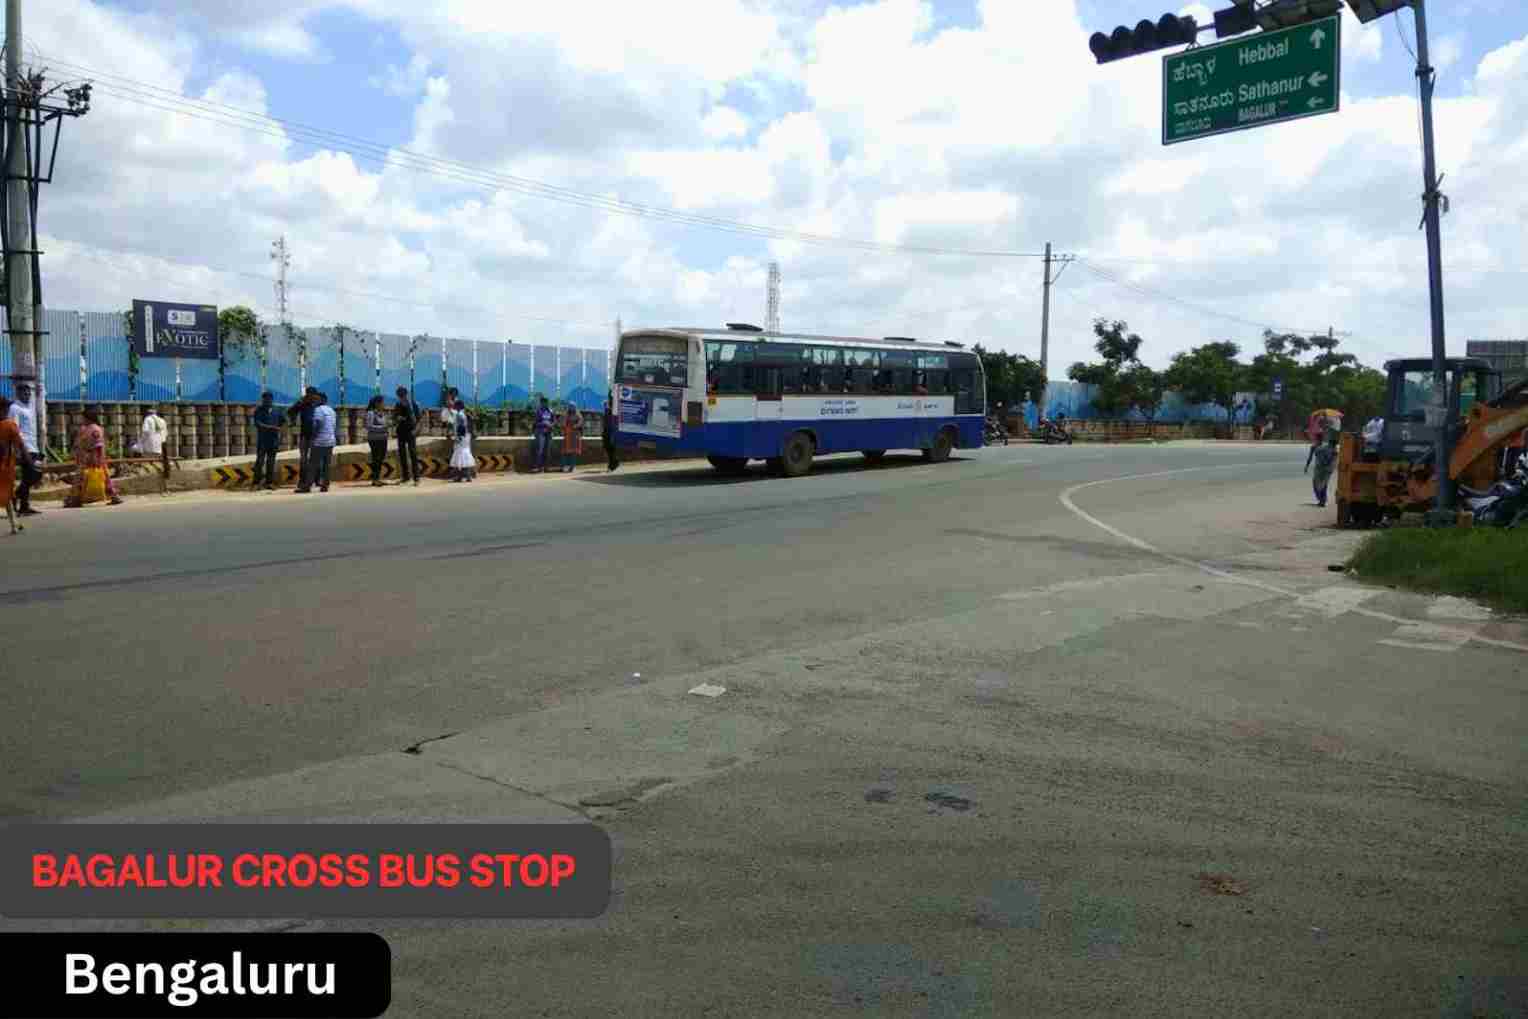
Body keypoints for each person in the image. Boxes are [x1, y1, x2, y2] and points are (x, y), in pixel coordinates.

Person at [69, 406, 122, 507]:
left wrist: (95, 458)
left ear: (88, 418)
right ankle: (114, 496)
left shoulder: (94, 429)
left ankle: (75, 499)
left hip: (91, 458)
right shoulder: (88, 428)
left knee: (81, 478)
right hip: (86, 457)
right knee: (102, 477)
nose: (82, 420)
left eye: (83, 418)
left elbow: (98, 445)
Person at [6, 379, 43, 516]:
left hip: (33, 446)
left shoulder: (29, 408)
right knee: (32, 474)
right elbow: (14, 429)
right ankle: (19, 499)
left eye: (29, 393)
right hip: (24, 447)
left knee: (34, 475)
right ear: (18, 393)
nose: (27, 395)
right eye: (24, 392)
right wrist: (18, 449)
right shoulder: (15, 408)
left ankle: (22, 504)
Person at [301, 392, 337, 493]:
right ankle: (325, 485)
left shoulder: (318, 410)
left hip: (319, 441)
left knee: (313, 464)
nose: (314, 401)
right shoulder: (331, 410)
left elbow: (317, 424)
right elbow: (334, 426)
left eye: (317, 399)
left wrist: (313, 436)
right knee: (326, 464)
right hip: (330, 441)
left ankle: (307, 486)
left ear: (322, 400)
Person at [0, 397, 24, 533]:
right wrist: (25, 459)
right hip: (6, 466)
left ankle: (15, 523)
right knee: (7, 495)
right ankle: (14, 524)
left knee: (6, 496)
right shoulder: (9, 425)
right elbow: (19, 444)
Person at [252, 391, 282, 490]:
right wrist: (271, 428)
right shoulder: (259, 411)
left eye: (269, 399)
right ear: (263, 400)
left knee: (271, 462)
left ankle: (269, 482)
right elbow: (258, 423)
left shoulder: (277, 410)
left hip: (273, 441)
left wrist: (282, 430)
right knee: (260, 462)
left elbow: (284, 421)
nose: (267, 401)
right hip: (263, 440)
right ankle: (256, 483)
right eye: (265, 399)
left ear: (272, 399)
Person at [287, 387, 319, 481]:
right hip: (305, 435)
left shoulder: (317, 404)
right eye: (308, 394)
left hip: (316, 435)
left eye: (312, 394)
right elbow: (290, 411)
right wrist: (293, 421)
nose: (310, 396)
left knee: (315, 458)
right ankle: (303, 480)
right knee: (304, 459)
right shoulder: (302, 403)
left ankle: (316, 479)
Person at [393, 386, 422, 486]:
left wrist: (416, 430)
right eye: (399, 395)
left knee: (413, 454)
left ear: (406, 393)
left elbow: (419, 419)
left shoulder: (414, 404)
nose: (400, 397)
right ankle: (405, 477)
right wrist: (398, 418)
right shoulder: (397, 404)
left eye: (401, 394)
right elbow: (394, 418)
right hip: (401, 431)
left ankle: (416, 478)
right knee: (402, 455)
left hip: (411, 431)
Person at [1305, 428, 1339, 508]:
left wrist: (1307, 466)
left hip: (1324, 469)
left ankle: (1322, 500)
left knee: (1321, 485)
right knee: (1319, 484)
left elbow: (1332, 457)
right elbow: (1311, 457)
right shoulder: (1319, 447)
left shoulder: (1325, 447)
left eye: (1318, 438)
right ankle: (1322, 500)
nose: (1318, 439)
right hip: (1320, 468)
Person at [364, 395, 390, 487]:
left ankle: (378, 478)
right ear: (377, 403)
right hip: (374, 439)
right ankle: (375, 479)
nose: (384, 404)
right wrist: (382, 428)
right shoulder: (370, 413)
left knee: (381, 458)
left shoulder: (382, 413)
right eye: (382, 402)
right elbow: (368, 426)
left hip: (383, 438)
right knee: (376, 458)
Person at [449, 399, 475, 482]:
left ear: (458, 406)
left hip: (461, 437)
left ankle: (460, 476)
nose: (454, 406)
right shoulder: (464, 414)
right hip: (466, 437)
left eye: (455, 405)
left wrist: (458, 437)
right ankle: (468, 476)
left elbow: (461, 427)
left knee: (460, 456)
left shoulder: (459, 415)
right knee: (465, 455)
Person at [532, 396, 553, 473]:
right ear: (541, 403)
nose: (545, 404)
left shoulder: (550, 411)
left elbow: (554, 421)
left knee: (547, 451)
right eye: (543, 402)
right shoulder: (538, 411)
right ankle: (539, 467)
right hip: (541, 432)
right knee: (540, 450)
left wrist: (551, 424)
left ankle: (546, 467)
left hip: (549, 432)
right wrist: (543, 423)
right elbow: (535, 423)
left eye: (546, 402)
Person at [561, 403, 584, 473]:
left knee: (573, 452)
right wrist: (565, 428)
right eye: (570, 407)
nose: (571, 408)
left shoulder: (578, 414)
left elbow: (580, 422)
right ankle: (565, 466)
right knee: (565, 451)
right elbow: (563, 423)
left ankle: (572, 467)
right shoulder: (566, 414)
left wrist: (575, 426)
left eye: (573, 407)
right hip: (568, 435)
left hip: (575, 435)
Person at [602, 395, 619, 473]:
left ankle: (612, 465)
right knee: (607, 448)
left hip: (611, 432)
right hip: (606, 431)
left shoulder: (612, 411)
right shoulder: (607, 411)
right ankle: (613, 463)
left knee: (611, 449)